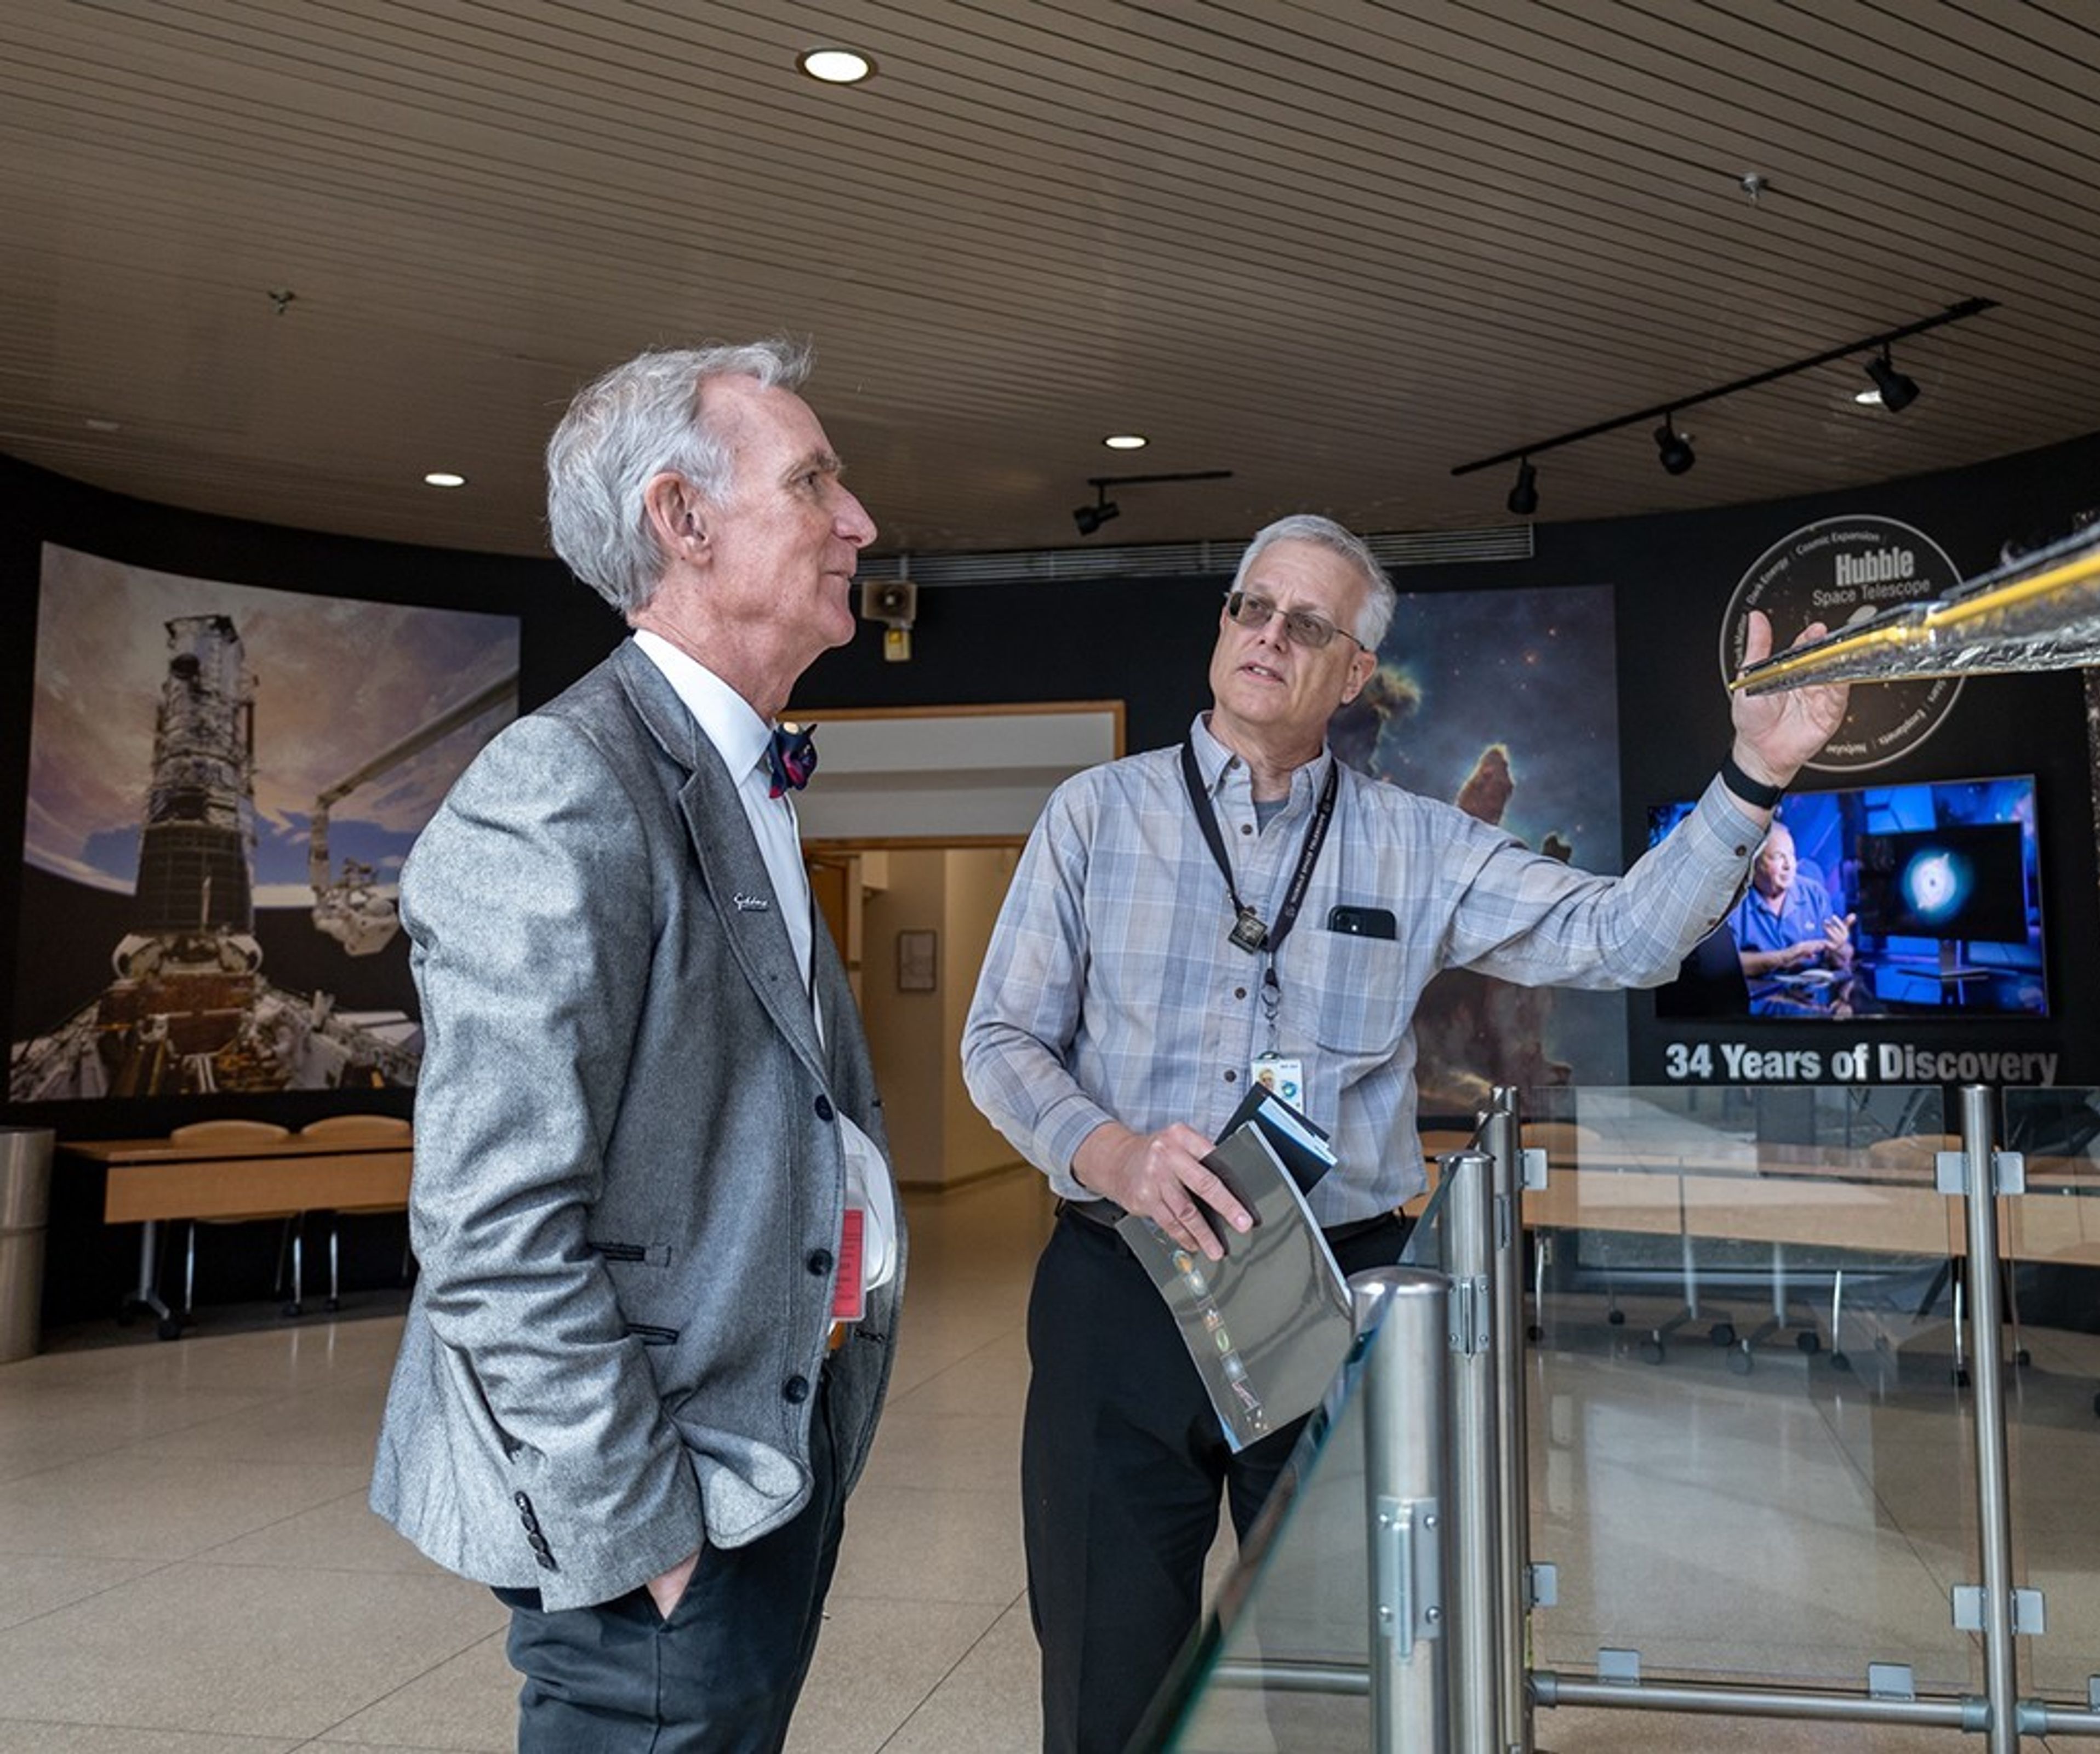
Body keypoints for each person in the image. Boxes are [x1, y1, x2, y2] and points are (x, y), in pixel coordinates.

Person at [960, 512, 1850, 1752]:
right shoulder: (1095, 815)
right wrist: (1111, 1153)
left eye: (1306, 623)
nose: (1266, 635)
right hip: (1123, 1284)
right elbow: (998, 1042)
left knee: (1346, 1685)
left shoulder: (1419, 842)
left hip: (1335, 1288)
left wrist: (1751, 775)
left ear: (1355, 672)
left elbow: (1625, 939)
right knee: (1111, 1685)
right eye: (1250, 607)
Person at [369, 339, 905, 1753]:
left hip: (762, 1468)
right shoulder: (561, 786)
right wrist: (648, 1539)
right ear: (682, 520)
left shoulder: (742, 774)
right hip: (657, 1526)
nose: (858, 520)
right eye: (814, 481)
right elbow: (490, 1225)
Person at [1734, 819, 1856, 1014]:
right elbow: (1726, 966)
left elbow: (1840, 958)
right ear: (1753, 862)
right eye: (1778, 857)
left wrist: (1840, 948)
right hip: (1754, 1011)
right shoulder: (1732, 902)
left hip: (1811, 1007)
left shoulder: (1814, 893)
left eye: (1791, 855)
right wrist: (1784, 958)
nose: (1789, 865)